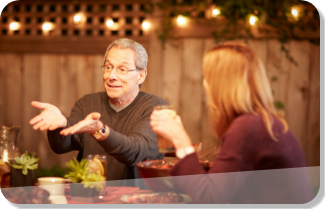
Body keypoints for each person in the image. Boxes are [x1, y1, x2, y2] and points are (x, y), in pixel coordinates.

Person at [150, 43, 314, 203]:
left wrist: (180, 139)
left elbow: (210, 197)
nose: (204, 83)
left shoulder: (249, 127)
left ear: (220, 83)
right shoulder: (260, 121)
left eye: (207, 77)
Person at [30, 38, 168, 187]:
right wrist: (60, 126)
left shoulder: (157, 108)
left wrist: (100, 131)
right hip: (88, 196)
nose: (111, 76)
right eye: (108, 67)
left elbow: (135, 152)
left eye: (122, 69)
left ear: (141, 75)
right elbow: (61, 146)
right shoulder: (88, 103)